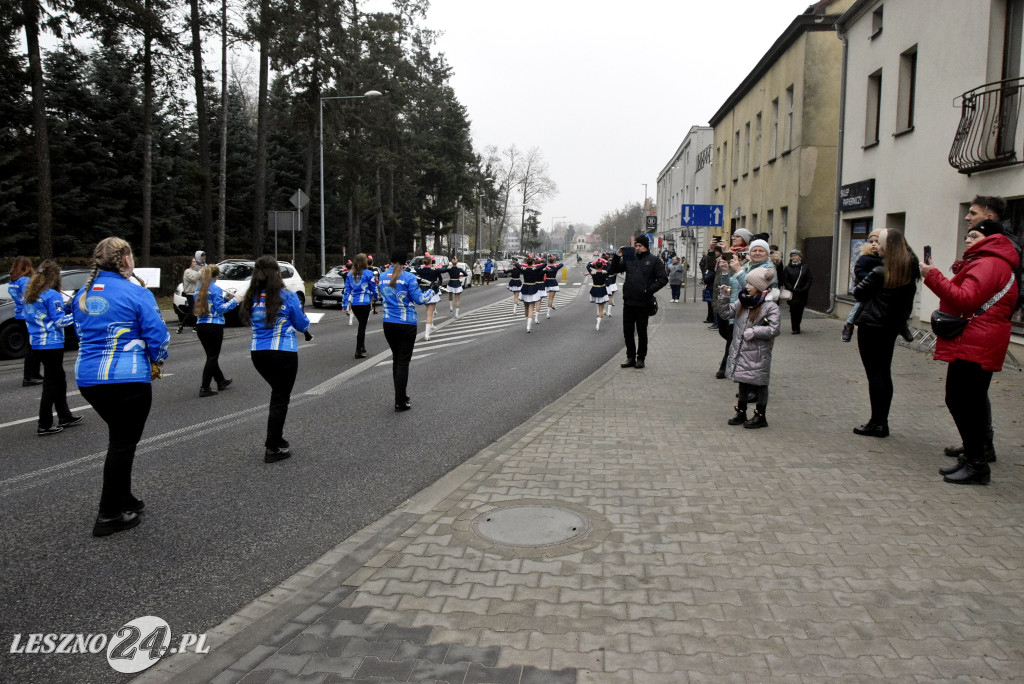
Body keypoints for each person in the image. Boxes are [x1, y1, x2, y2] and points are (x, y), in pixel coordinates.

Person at [74, 237, 169, 537]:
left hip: (88, 378)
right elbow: (158, 335)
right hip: (127, 377)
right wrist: (157, 360)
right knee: (123, 443)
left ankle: (123, 497)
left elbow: (78, 330)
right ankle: (108, 514)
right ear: (125, 260)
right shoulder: (137, 293)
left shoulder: (83, 293)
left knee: (120, 439)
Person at [922, 217, 1018, 485]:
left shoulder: (990, 263)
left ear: (990, 239)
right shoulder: (991, 262)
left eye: (974, 235)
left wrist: (932, 275)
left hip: (978, 341)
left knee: (964, 401)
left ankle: (977, 464)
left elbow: (965, 299)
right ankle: (973, 457)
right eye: (968, 235)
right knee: (963, 400)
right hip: (978, 339)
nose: (967, 239)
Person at [239, 255, 312, 463]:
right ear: (277, 274)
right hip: (284, 353)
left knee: (277, 395)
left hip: (258, 354)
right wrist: (305, 324)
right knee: (280, 399)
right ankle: (272, 448)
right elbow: (301, 323)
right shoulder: (287, 297)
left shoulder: (251, 296)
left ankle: (277, 438)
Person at [851, 228, 919, 438]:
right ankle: (881, 421)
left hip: (871, 327)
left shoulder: (880, 272)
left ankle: (877, 423)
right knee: (884, 373)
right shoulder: (909, 269)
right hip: (890, 328)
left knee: (875, 375)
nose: (875, 247)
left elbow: (858, 292)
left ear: (888, 247)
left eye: (879, 243)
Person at [718, 267, 780, 428]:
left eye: (751, 283)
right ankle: (741, 411)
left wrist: (754, 331)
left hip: (759, 352)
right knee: (743, 381)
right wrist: (724, 297)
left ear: (760, 286)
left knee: (760, 383)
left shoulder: (770, 306)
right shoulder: (743, 301)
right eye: (747, 282)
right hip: (741, 349)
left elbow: (774, 329)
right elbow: (725, 314)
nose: (747, 286)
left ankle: (760, 415)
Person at [23, 260, 80, 436]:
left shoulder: (31, 294)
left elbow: (45, 315)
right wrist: (78, 314)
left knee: (59, 378)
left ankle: (64, 415)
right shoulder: (52, 295)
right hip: (52, 342)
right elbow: (59, 321)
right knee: (51, 383)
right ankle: (45, 423)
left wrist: (66, 307)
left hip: (37, 342)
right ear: (54, 276)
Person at [379, 250, 431, 411]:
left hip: (388, 322)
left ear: (390, 260)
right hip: (407, 323)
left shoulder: (381, 277)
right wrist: (431, 291)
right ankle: (400, 400)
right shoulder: (408, 277)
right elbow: (419, 300)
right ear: (405, 262)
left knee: (396, 359)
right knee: (403, 362)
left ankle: (400, 397)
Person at [608, 234, 668, 369]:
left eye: (640, 246)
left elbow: (663, 279)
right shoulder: (630, 258)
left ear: (645, 246)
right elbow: (614, 270)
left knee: (642, 332)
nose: (637, 248)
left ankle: (641, 358)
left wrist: (648, 290)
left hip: (643, 302)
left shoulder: (654, 261)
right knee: (627, 331)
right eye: (636, 246)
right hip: (629, 301)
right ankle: (630, 357)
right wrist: (617, 256)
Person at [194, 264, 240, 396]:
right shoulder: (216, 289)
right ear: (216, 276)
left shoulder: (198, 289)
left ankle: (221, 381)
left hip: (201, 325)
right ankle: (205, 387)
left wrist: (224, 299)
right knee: (212, 357)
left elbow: (206, 304)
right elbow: (220, 309)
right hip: (214, 325)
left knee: (210, 356)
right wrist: (234, 301)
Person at [842, 229, 883, 342]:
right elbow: (859, 272)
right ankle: (849, 326)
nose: (874, 244)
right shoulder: (864, 258)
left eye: (877, 241)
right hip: (867, 289)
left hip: (881, 290)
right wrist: (872, 277)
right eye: (871, 241)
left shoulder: (885, 259)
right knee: (859, 306)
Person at [8, 256, 43, 386]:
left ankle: (34, 373)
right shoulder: (25, 281)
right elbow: (29, 297)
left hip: (19, 314)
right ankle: (29, 376)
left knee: (32, 345)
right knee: (32, 347)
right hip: (28, 315)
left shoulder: (13, 281)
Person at [343, 253, 378, 358]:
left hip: (354, 303)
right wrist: (376, 298)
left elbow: (346, 291)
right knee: (362, 327)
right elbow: (374, 288)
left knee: (361, 325)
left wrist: (345, 304)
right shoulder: (368, 274)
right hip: (365, 303)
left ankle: (362, 347)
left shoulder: (350, 275)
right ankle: (358, 350)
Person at [780, 249, 813, 334]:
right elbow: (785, 280)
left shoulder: (805, 267)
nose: (793, 257)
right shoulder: (787, 268)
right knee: (793, 310)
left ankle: (797, 324)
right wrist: (791, 288)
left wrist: (804, 288)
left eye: (795, 255)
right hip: (792, 293)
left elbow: (809, 279)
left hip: (802, 293)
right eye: (792, 256)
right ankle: (795, 328)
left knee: (800, 310)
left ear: (800, 257)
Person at [414, 254, 443, 340]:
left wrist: (422, 265)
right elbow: (441, 274)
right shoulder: (435, 270)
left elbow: (416, 267)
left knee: (429, 311)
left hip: (422, 291)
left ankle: (431, 326)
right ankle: (427, 334)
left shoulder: (420, 270)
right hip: (431, 292)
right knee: (429, 314)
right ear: (431, 262)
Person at [177, 250, 206, 334]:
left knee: (195, 310)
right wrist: (200, 272)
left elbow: (200, 278)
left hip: (195, 293)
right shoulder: (187, 271)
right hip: (190, 293)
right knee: (192, 310)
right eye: (193, 261)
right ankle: (182, 326)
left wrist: (203, 273)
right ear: (190, 263)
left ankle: (195, 326)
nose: (195, 262)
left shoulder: (194, 271)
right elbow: (193, 278)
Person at [519, 256, 545, 331]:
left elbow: (517, 265)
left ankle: (527, 322)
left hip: (525, 288)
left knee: (526, 307)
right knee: (531, 308)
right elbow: (544, 264)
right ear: (533, 263)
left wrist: (524, 265)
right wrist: (536, 265)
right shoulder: (535, 269)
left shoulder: (524, 269)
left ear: (527, 262)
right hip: (533, 288)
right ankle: (528, 327)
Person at [589, 258, 610, 330]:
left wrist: (594, 262)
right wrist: (605, 261)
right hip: (602, 290)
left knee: (597, 305)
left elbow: (588, 266)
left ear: (595, 266)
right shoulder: (605, 273)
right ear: (602, 266)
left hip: (594, 290)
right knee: (601, 307)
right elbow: (609, 266)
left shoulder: (593, 273)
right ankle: (598, 324)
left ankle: (598, 315)